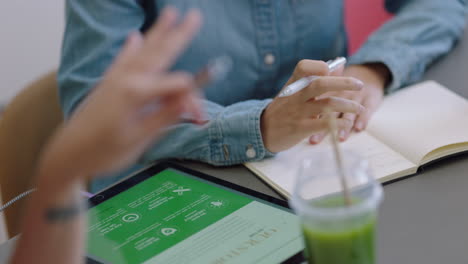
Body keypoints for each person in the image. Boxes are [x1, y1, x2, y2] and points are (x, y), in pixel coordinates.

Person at [58, 0, 467, 192]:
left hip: (322, 170)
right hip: (168, 186)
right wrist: (259, 125)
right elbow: (92, 106)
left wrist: (373, 69)